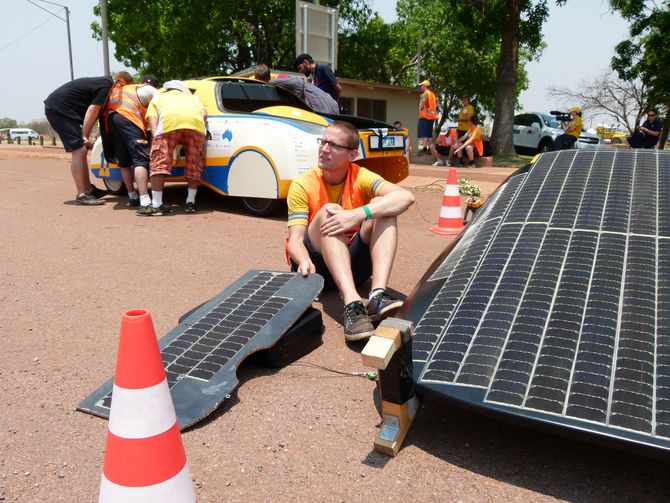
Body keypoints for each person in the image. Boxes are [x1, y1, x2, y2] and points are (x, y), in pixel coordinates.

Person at [286, 121, 415, 341]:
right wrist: (304, 260)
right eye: (323, 142)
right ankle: (352, 305)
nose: (324, 149)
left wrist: (357, 214)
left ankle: (377, 296)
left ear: (352, 154)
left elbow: (405, 197)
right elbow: (295, 240)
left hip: (353, 264)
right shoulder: (302, 183)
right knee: (331, 211)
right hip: (316, 270)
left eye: (334, 145)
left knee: (386, 208)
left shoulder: (361, 176)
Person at [44, 71, 133, 205]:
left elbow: (98, 115)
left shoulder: (104, 84)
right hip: (58, 110)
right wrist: (84, 136)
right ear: (118, 82)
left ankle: (88, 189)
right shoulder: (107, 85)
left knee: (82, 149)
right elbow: (92, 110)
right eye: (123, 88)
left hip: (62, 110)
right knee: (79, 150)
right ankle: (82, 194)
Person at [138, 80, 208, 216]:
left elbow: (153, 120)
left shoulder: (158, 97)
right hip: (195, 127)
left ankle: (157, 205)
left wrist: (156, 140)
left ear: (167, 89)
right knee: (194, 163)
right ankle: (190, 202)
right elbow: (204, 115)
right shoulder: (193, 98)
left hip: (169, 126)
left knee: (159, 164)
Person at [102, 77, 158, 207]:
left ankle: (133, 196)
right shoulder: (149, 90)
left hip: (112, 121)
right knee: (141, 160)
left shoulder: (124, 90)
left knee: (125, 162)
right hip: (127, 119)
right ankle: (145, 202)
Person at [268, 74, 340, 115]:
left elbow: (272, 82)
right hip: (334, 112)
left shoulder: (295, 82)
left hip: (325, 113)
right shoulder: (310, 88)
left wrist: (266, 81)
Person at [417, 80, 438, 154]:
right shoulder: (432, 94)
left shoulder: (425, 93)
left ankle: (424, 149)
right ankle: (430, 149)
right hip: (431, 116)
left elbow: (423, 101)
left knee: (424, 133)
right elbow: (436, 104)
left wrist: (419, 109)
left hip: (424, 116)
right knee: (429, 134)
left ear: (425, 86)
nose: (421, 87)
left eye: (421, 85)